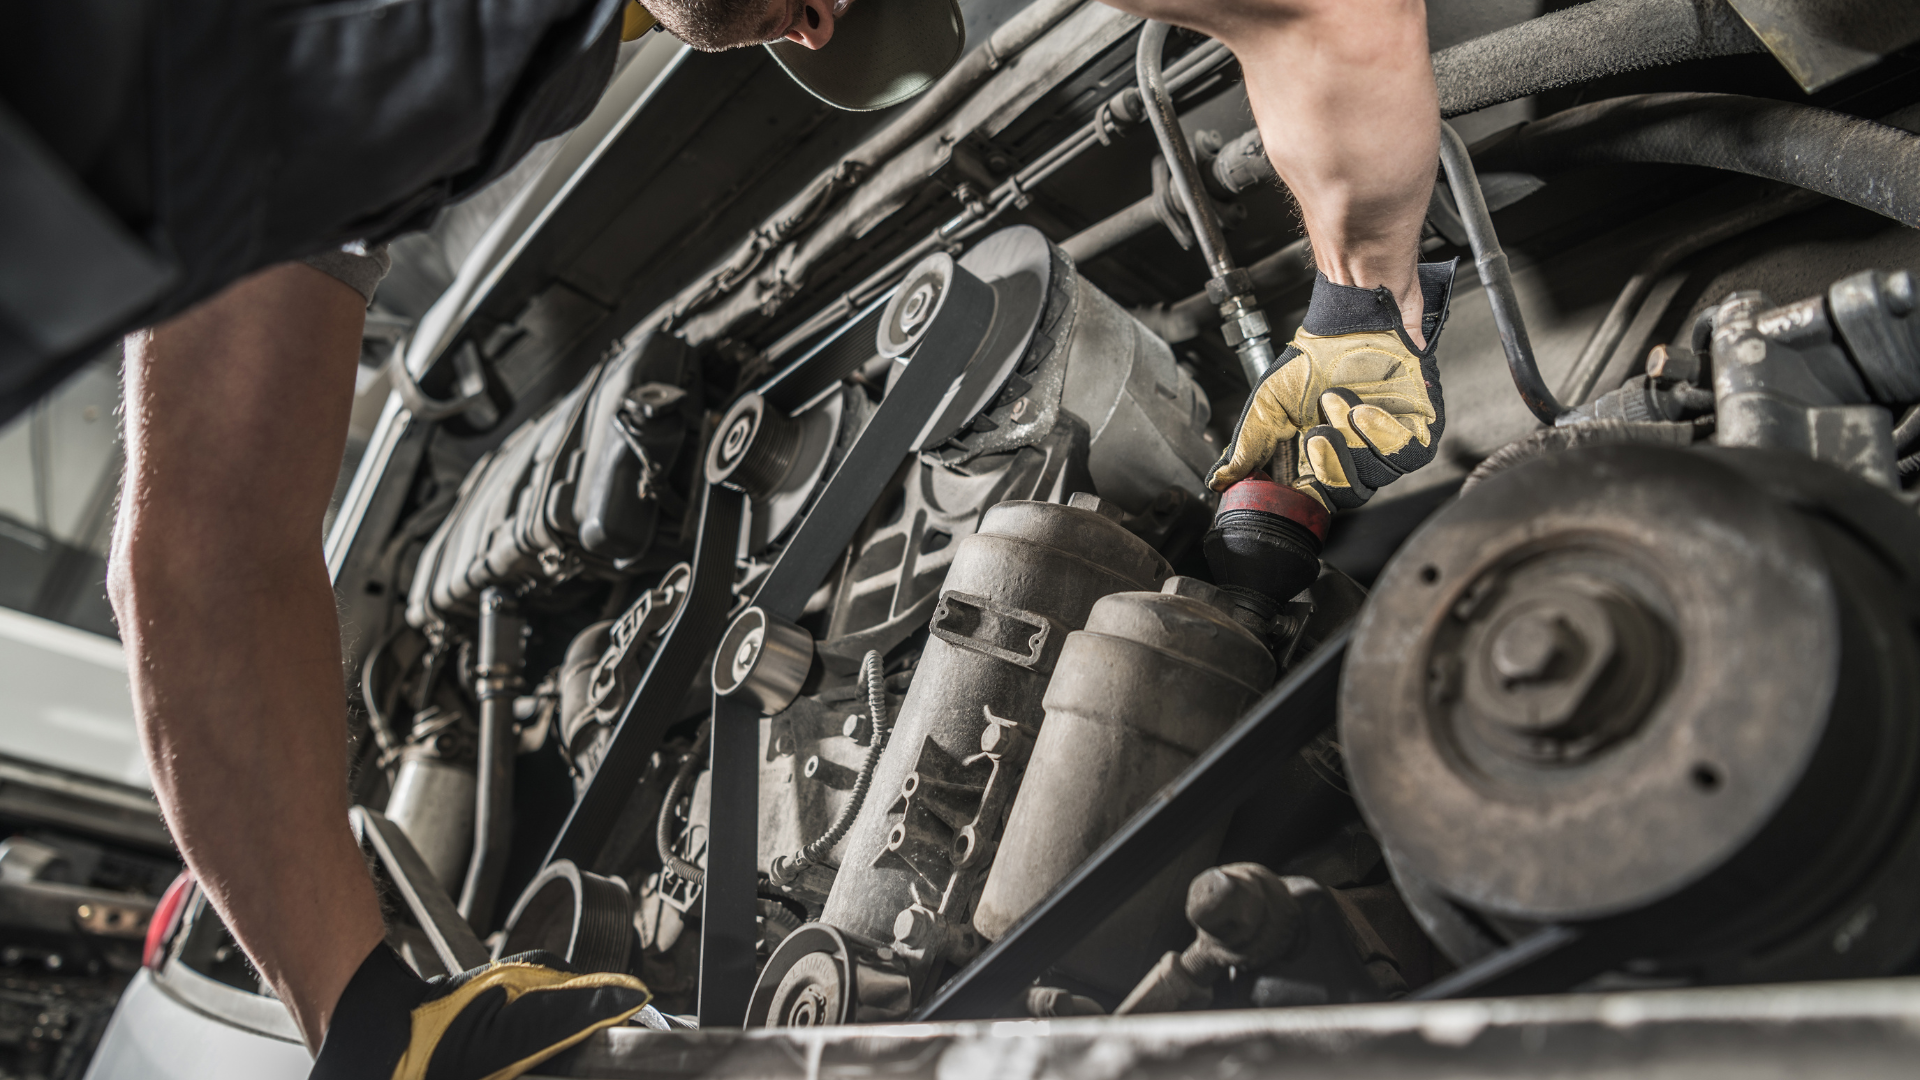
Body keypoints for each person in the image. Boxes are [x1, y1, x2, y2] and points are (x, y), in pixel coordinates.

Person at [4, 0, 1450, 1074]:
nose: (812, 18)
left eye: (823, 28)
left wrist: (375, 1020)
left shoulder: (443, 104)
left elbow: (210, 546)